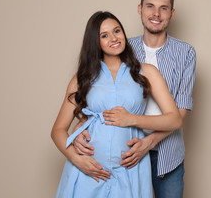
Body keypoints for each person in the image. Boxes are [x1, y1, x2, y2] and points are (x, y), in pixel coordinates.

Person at [74, 0, 196, 198]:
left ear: (172, 13)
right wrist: (77, 132)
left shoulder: (186, 53)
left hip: (167, 153)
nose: (156, 13)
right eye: (150, 6)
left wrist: (147, 143)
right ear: (140, 9)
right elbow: (99, 95)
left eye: (163, 8)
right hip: (122, 150)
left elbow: (180, 112)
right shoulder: (120, 48)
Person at [51, 11, 182, 198]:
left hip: (129, 171)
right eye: (104, 35)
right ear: (95, 42)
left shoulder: (147, 72)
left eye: (117, 31)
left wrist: (132, 119)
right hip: (87, 173)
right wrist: (76, 159)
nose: (114, 38)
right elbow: (58, 130)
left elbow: (175, 120)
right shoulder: (82, 78)